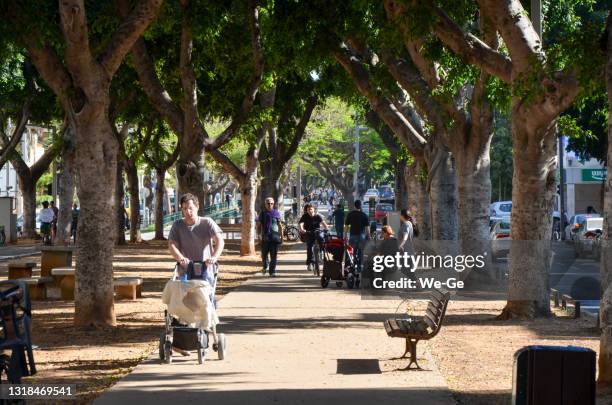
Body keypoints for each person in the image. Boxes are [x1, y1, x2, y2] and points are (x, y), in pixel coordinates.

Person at [168, 193, 225, 281]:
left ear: (197, 207)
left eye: (190, 208)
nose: (188, 211)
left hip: (205, 269)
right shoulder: (177, 225)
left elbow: (220, 241)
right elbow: (172, 244)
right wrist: (180, 258)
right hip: (185, 270)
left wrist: (214, 257)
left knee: (205, 294)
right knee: (183, 294)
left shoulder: (207, 222)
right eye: (185, 209)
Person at [256, 197, 283, 277]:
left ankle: (272, 271)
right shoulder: (262, 213)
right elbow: (259, 226)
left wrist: (282, 236)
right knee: (264, 255)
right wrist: (259, 236)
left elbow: (280, 225)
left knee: (273, 256)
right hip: (265, 238)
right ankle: (265, 266)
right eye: (268, 203)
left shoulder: (276, 213)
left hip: (274, 238)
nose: (270, 205)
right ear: (265, 204)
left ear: (273, 204)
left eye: (271, 203)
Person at [299, 203, 329, 271]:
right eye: (308, 209)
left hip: (317, 232)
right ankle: (309, 263)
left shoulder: (317, 216)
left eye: (311, 209)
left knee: (321, 240)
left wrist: (326, 229)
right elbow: (301, 223)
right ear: (306, 210)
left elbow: (324, 224)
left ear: (314, 210)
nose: (309, 211)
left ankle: (321, 252)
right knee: (309, 247)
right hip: (308, 232)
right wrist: (302, 229)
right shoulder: (305, 216)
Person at [344, 200, 370, 274]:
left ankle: (348, 266)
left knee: (351, 252)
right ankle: (359, 267)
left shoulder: (350, 214)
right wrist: (369, 236)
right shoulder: (364, 215)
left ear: (354, 206)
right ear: (361, 206)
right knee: (361, 251)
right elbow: (367, 228)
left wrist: (345, 235)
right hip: (361, 236)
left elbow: (346, 226)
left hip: (352, 236)